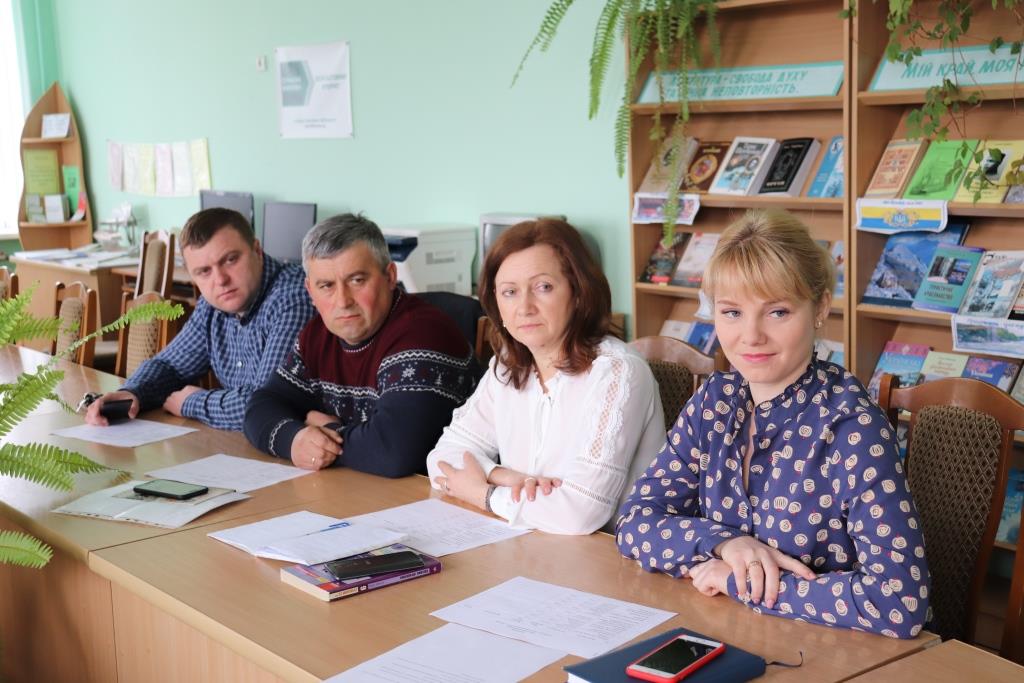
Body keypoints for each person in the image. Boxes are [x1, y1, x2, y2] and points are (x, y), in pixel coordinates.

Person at [616, 209, 931, 639]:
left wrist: (737, 582)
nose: (751, 335)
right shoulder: (714, 401)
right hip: (725, 631)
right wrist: (726, 543)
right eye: (731, 312)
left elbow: (899, 603)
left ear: (820, 307)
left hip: (835, 651)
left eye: (777, 312)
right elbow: (635, 521)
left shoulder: (851, 427)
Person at [426, 219, 664, 535]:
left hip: (609, 553)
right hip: (528, 540)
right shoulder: (508, 365)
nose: (524, 307)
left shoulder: (618, 372)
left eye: (543, 287)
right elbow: (441, 458)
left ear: (579, 292)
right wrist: (505, 477)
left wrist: (483, 494)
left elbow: (579, 514)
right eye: (510, 292)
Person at [243, 213, 478, 477]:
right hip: (362, 488)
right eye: (326, 286)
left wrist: (328, 432)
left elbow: (393, 451)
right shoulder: (317, 335)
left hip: (434, 494)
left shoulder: (423, 332)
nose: (343, 301)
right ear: (310, 291)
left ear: (390, 276)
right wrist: (295, 439)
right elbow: (261, 407)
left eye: (357, 280)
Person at [85, 208, 314, 430]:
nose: (220, 280)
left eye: (230, 260)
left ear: (257, 250)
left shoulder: (293, 297)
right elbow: (170, 366)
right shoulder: (213, 305)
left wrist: (192, 403)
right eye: (204, 271)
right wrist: (132, 392)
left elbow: (265, 404)